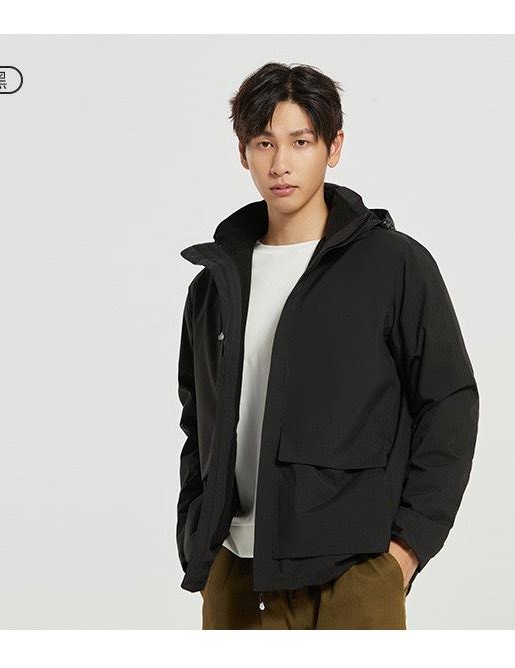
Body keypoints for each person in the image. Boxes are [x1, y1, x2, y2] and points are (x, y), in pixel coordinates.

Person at [176, 62, 479, 629]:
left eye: (301, 142)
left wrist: (407, 549)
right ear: (243, 153)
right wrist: (197, 536)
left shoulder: (394, 265)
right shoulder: (216, 285)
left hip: (353, 572)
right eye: (264, 143)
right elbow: (199, 420)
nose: (280, 164)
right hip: (235, 569)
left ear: (333, 147)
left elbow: (449, 403)